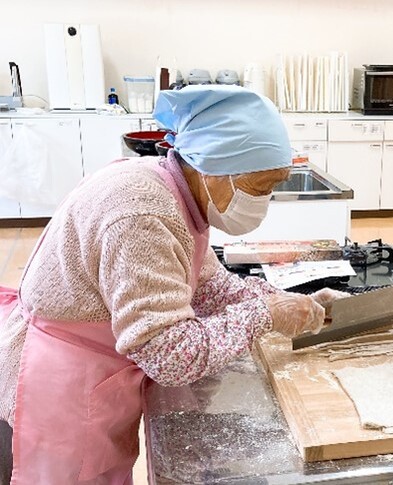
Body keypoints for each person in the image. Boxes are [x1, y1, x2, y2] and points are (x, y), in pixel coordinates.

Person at [0, 85, 345, 484]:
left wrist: (288, 301)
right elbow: (169, 355)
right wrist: (263, 315)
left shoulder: (175, 193)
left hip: (92, 378)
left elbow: (207, 287)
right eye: (261, 186)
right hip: (60, 394)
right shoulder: (143, 212)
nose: (265, 201)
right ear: (212, 168)